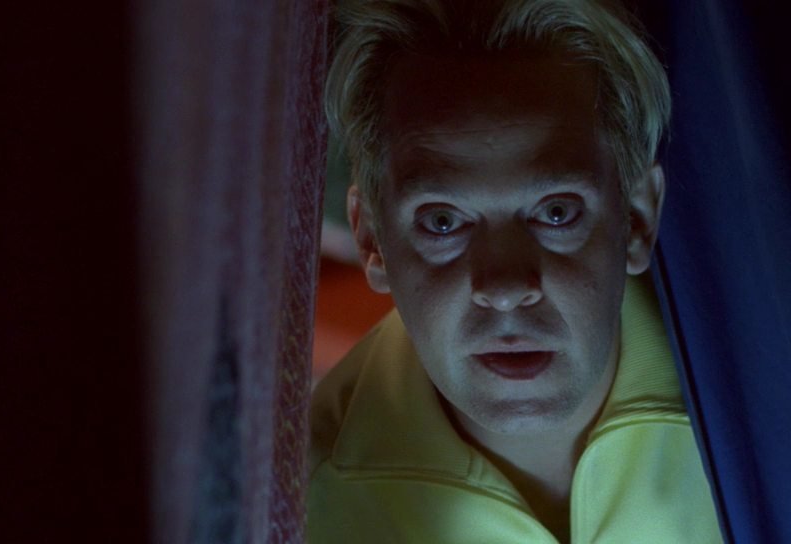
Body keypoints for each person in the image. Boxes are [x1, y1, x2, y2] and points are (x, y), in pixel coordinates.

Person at [308, 0, 722, 541]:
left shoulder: (765, 408)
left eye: (557, 213)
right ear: (371, 240)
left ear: (638, 218)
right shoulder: (301, 506)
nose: (504, 289)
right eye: (442, 221)